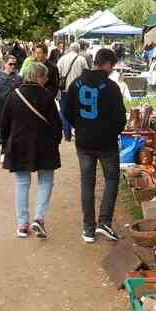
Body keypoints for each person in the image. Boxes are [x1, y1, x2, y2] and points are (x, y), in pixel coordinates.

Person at [64, 48, 126, 244]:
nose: (112, 70)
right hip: (106, 142)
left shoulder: (75, 85)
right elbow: (120, 118)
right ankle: (105, 222)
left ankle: (88, 230)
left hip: (83, 141)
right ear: (106, 64)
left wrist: (80, 126)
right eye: (112, 66)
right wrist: (113, 131)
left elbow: (66, 112)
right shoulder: (111, 87)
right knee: (111, 179)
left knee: (87, 183)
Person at [1, 62, 62, 239]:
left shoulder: (14, 95)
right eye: (45, 77)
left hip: (19, 145)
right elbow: (56, 126)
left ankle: (22, 224)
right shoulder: (48, 96)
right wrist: (55, 143)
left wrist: (5, 144)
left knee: (21, 183)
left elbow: (4, 124)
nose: (46, 80)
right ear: (39, 77)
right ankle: (39, 218)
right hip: (44, 145)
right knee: (46, 180)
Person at [0, 56, 22, 153]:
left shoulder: (18, 78)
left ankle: (6, 148)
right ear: (5, 64)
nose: (13, 66)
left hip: (12, 107)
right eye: (10, 64)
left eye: (15, 64)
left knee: (10, 127)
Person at [57, 42, 88, 141]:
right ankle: (78, 133)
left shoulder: (62, 59)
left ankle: (67, 135)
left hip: (64, 90)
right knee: (78, 112)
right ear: (78, 49)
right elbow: (87, 73)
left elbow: (57, 73)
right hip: (78, 90)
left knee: (64, 111)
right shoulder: (81, 59)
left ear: (70, 49)